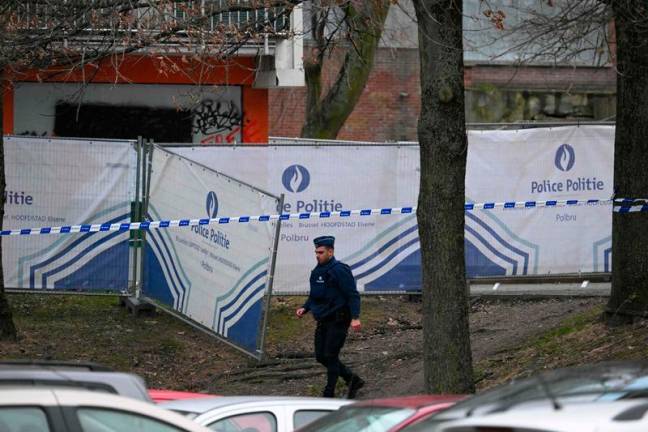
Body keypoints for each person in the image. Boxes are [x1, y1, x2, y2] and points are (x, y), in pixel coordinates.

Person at [296, 235, 364, 399]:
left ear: (330, 252)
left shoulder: (340, 270)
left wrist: (355, 317)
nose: (317, 255)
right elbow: (315, 295)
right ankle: (351, 379)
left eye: (320, 252)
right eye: (316, 252)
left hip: (339, 319)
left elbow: (353, 295)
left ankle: (329, 394)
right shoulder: (317, 271)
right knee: (320, 356)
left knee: (330, 355)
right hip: (323, 319)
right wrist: (305, 308)